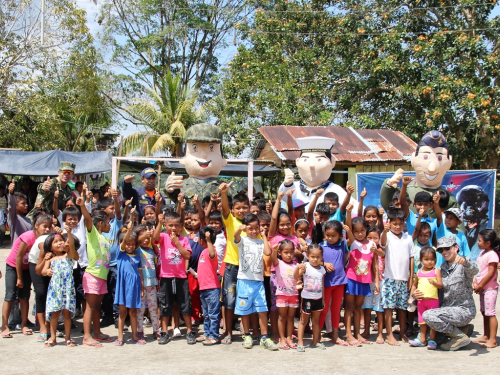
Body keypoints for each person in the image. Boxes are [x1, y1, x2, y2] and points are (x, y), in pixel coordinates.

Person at [420, 235, 479, 351]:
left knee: (428, 316)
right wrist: (416, 294)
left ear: (456, 247)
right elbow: (434, 287)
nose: (444, 252)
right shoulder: (441, 268)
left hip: (463, 309)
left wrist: (465, 262)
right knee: (435, 339)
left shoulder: (463, 264)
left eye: (447, 248)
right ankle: (463, 329)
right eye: (441, 250)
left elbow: (474, 270)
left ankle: (459, 336)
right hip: (447, 309)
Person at [380, 131, 457, 216]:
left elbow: (457, 224)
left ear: (449, 162)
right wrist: (389, 186)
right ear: (413, 159)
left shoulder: (448, 198)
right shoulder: (406, 193)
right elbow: (389, 205)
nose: (432, 168)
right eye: (425, 157)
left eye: (439, 158)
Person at [1, 214, 52, 338]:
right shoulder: (28, 237)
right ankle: (4, 326)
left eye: (49, 227)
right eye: (44, 226)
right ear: (36, 225)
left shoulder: (45, 239)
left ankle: (24, 323)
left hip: (28, 267)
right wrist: (19, 277)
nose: (46, 229)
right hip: (14, 266)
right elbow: (18, 258)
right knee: (10, 295)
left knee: (25, 295)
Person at [233, 213, 277, 350]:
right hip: (244, 281)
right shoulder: (243, 240)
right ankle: (247, 335)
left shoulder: (260, 242)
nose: (254, 231)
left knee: (262, 310)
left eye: (256, 227)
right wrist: (240, 229)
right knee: (245, 310)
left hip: (258, 282)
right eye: (250, 228)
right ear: (246, 228)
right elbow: (235, 236)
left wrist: (264, 235)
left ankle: (264, 337)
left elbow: (268, 252)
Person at [279, 136, 358, 212]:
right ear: (297, 162)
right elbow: (283, 196)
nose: (311, 165)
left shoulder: (335, 190)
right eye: (305, 160)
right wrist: (287, 184)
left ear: (332, 162)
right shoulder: (294, 187)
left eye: (319, 160)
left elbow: (357, 210)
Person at [164, 123, 238, 203]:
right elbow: (175, 200)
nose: (203, 155)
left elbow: (235, 204)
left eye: (211, 148)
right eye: (195, 148)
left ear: (222, 159)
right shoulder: (182, 186)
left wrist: (227, 192)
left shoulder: (223, 187)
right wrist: (169, 189)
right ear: (184, 159)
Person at [153, 211, 195, 345]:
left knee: (185, 305)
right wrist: (159, 223)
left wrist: (177, 243)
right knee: (165, 305)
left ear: (181, 226)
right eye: (170, 225)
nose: (173, 228)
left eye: (176, 225)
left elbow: (187, 256)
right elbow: (154, 238)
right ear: (165, 225)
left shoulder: (184, 239)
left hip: (181, 277)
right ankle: (165, 332)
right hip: (166, 277)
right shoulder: (163, 237)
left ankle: (189, 331)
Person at [77, 196, 113, 347]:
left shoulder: (104, 238)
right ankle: (86, 336)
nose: (109, 226)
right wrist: (82, 206)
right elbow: (87, 218)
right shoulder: (92, 233)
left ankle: (97, 333)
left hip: (102, 277)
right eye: (107, 223)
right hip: (92, 276)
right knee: (90, 307)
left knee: (97, 307)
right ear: (100, 223)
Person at [218, 181, 250, 345]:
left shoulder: (252, 223)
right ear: (233, 210)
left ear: (249, 208)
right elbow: (224, 209)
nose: (241, 211)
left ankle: (247, 332)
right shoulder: (230, 221)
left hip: (248, 268)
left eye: (244, 207)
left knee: (245, 300)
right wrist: (224, 193)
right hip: (231, 266)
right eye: (238, 208)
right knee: (229, 301)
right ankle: (228, 332)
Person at [380, 208, 415, 346]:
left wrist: (411, 278)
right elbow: (382, 244)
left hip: (404, 279)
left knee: (402, 308)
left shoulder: (408, 238)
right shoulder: (387, 235)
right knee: (388, 307)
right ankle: (389, 335)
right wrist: (384, 230)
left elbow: (412, 258)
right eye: (394, 224)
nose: (397, 226)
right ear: (389, 223)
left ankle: (401, 332)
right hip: (389, 278)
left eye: (400, 224)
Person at [41, 228, 80, 347]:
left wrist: (68, 233)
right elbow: (42, 271)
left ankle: (68, 338)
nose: (59, 243)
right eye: (55, 242)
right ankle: (52, 338)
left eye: (61, 240)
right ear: (50, 247)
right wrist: (46, 271)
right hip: (55, 290)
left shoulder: (68, 255)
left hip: (67, 289)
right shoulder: (50, 259)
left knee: (67, 314)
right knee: (55, 313)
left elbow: (72, 246)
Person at [344, 217, 379, 346]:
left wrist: (375, 282)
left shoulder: (372, 245)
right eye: (356, 231)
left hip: (365, 280)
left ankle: (357, 333)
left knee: (359, 307)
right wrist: (348, 212)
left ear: (366, 229)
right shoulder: (352, 242)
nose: (359, 233)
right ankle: (348, 333)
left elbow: (374, 264)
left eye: (362, 230)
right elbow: (347, 227)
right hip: (351, 278)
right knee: (349, 306)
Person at [318, 220, 351, 347]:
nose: (330, 238)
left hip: (340, 282)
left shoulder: (342, 245)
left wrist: (348, 231)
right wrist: (324, 264)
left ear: (340, 236)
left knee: (336, 310)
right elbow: (314, 260)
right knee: (323, 310)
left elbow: (351, 241)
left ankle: (335, 335)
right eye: (328, 235)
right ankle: (319, 334)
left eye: (333, 235)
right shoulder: (321, 246)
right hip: (326, 283)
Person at [114, 221, 145, 346]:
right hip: (123, 286)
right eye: (128, 244)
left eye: (133, 244)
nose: (130, 246)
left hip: (134, 287)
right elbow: (123, 242)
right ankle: (120, 337)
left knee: (133, 312)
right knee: (122, 312)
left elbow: (140, 274)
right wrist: (128, 230)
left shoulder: (137, 257)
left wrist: (142, 287)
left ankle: (134, 335)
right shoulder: (120, 254)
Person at [408, 246, 442, 349]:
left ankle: (432, 340)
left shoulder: (436, 271)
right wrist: (411, 296)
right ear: (421, 260)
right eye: (426, 259)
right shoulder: (419, 272)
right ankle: (422, 339)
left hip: (433, 301)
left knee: (432, 321)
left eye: (432, 259)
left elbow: (440, 285)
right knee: (422, 321)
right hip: (421, 302)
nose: (429, 262)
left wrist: (434, 283)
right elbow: (414, 285)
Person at [295, 244, 326, 352]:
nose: (315, 259)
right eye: (313, 256)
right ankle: (300, 342)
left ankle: (315, 341)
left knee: (316, 321)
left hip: (318, 298)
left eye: (318, 257)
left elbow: (322, 285)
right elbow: (296, 277)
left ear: (321, 257)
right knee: (303, 321)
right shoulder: (305, 266)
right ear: (307, 256)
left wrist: (323, 299)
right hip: (307, 298)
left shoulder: (322, 269)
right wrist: (298, 269)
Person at [99, 190, 124, 328]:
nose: (113, 210)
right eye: (111, 208)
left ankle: (117, 318)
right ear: (103, 210)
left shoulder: (115, 223)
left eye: (114, 208)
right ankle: (107, 316)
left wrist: (115, 200)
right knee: (105, 292)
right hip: (102, 264)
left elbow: (119, 214)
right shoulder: (99, 224)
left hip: (115, 264)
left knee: (115, 291)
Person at [472, 229, 499, 348]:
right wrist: (475, 281)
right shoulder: (482, 253)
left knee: (490, 313)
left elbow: (491, 273)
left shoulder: (492, 255)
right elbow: (480, 270)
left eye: (480, 240)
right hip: (482, 289)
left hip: (490, 289)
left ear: (488, 243)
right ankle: (486, 335)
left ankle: (493, 340)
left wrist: (481, 285)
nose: (478, 242)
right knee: (484, 312)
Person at [272, 239, 299, 350]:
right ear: (280, 253)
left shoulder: (297, 265)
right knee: (282, 317)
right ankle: (282, 338)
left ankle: (289, 338)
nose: (289, 255)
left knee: (291, 317)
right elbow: (273, 259)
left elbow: (298, 278)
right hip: (282, 295)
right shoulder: (279, 263)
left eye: (291, 252)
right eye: (286, 252)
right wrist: (274, 251)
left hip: (293, 295)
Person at [196, 226, 221, 345]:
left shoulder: (212, 250)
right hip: (203, 288)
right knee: (206, 314)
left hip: (212, 288)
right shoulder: (202, 251)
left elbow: (212, 254)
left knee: (213, 314)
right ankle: (207, 333)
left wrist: (209, 240)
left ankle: (214, 336)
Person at [135, 225, 160, 341]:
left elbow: (155, 264)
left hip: (152, 283)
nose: (146, 240)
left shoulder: (151, 250)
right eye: (143, 237)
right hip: (141, 284)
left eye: (147, 237)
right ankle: (140, 331)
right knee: (140, 310)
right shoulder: (136, 249)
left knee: (153, 308)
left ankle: (156, 330)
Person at [362, 225, 386, 344]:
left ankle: (380, 333)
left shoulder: (381, 248)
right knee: (367, 308)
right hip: (367, 282)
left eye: (375, 238)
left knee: (379, 309)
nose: (372, 240)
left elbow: (381, 254)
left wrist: (375, 250)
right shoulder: (364, 249)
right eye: (369, 237)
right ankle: (366, 330)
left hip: (380, 282)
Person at [7, 179, 31, 245]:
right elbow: (11, 207)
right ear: (15, 205)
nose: (26, 205)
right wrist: (11, 194)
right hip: (17, 253)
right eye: (23, 203)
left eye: (26, 203)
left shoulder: (28, 220)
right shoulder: (14, 219)